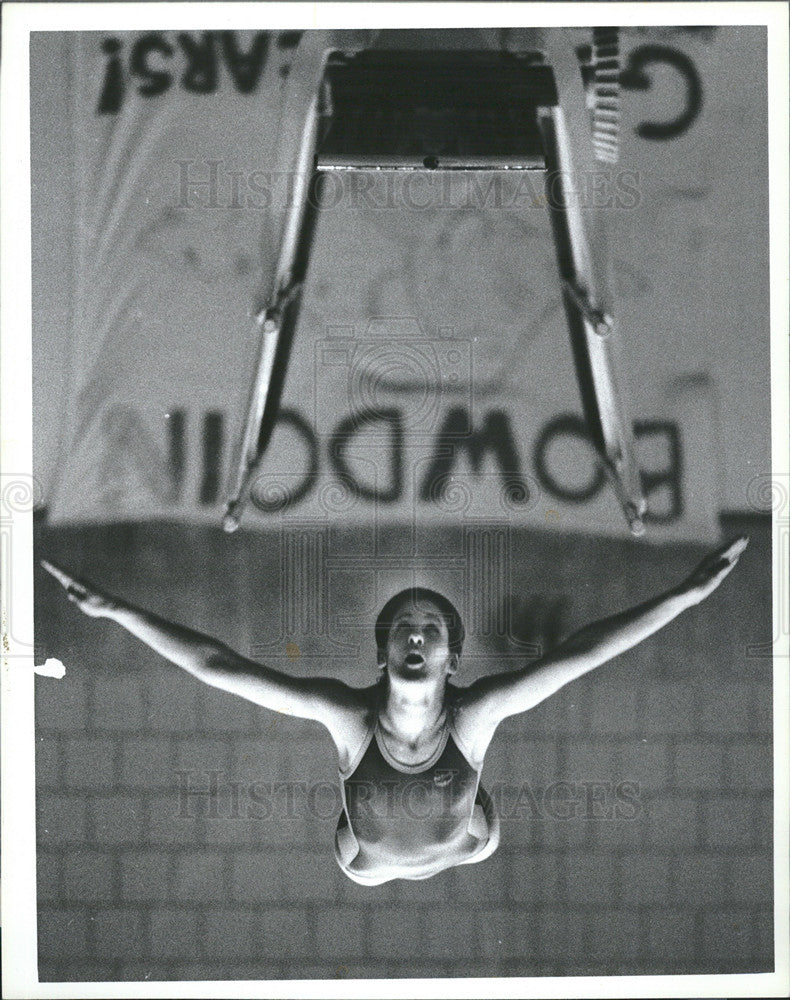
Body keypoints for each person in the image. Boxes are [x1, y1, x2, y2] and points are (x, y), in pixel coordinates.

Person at [42, 534, 747, 884]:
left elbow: (584, 654)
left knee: (454, 818)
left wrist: (685, 596)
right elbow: (218, 667)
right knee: (366, 847)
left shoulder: (477, 714)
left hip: (462, 838)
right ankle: (410, 810)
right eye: (403, 630)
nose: (415, 636)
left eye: (431, 630)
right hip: (368, 859)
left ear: (452, 657)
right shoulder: (345, 716)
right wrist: (115, 611)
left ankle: (441, 811)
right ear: (383, 654)